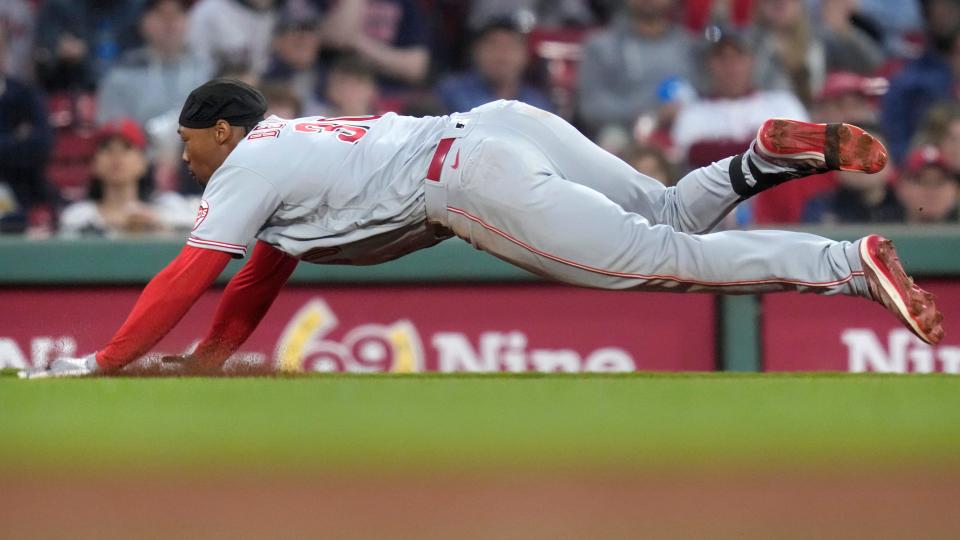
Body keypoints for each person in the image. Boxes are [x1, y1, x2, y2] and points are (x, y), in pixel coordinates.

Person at [20, 79, 943, 378]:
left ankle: (845, 263)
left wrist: (104, 362)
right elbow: (266, 264)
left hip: (464, 176)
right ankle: (763, 164)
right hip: (497, 121)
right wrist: (216, 354)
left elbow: (191, 270)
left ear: (220, 129)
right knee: (663, 209)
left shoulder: (246, 161)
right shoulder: (282, 145)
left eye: (189, 144)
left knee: (663, 260)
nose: (184, 159)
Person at [58, 118, 197, 236]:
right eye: (107, 149)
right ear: (94, 163)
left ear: (143, 162)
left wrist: (155, 220)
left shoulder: (168, 205)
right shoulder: (79, 216)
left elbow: (200, 226)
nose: (116, 156)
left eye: (126, 148)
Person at [577, 0, 696, 134]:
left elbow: (706, 98)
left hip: (683, 135)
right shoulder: (600, 46)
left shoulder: (690, 47)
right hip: (624, 138)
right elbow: (592, 108)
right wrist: (653, 113)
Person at [96, 0, 213, 127]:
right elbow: (111, 130)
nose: (170, 23)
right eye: (161, 14)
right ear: (143, 21)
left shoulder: (207, 71)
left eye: (177, 14)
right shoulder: (123, 74)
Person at [437, 16, 553, 114]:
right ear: (475, 51)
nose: (501, 55)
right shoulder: (449, 93)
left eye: (510, 47)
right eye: (493, 45)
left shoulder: (538, 104)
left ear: (525, 55)